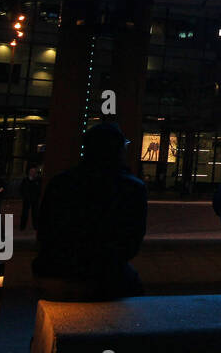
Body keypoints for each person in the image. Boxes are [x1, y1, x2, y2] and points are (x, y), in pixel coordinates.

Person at [31, 122, 148, 300]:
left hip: (53, 271)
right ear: (119, 150)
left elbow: (45, 231)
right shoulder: (131, 187)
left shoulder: (61, 182)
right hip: (101, 276)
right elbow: (130, 244)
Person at [19, 165, 42, 230]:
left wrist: (37, 196)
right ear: (29, 172)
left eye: (34, 172)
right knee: (24, 214)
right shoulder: (25, 180)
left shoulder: (38, 180)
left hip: (35, 200)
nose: (33, 173)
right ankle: (22, 226)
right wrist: (24, 196)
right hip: (27, 199)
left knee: (35, 214)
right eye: (32, 171)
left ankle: (35, 226)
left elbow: (39, 189)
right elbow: (21, 189)